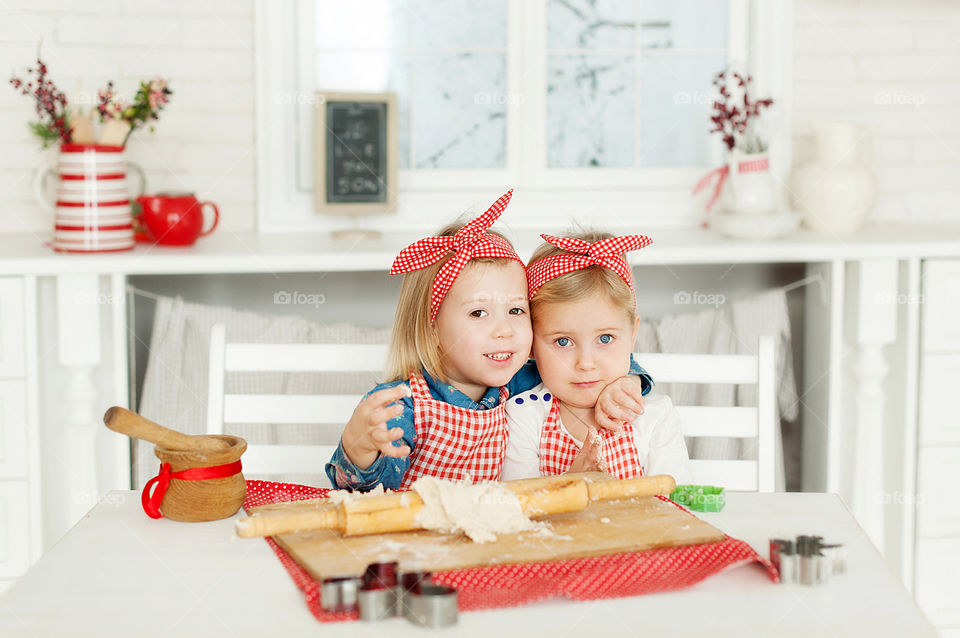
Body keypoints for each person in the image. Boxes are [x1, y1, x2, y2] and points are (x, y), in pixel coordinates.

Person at [325, 192, 652, 490]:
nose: (504, 330)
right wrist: (358, 448)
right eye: (479, 313)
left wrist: (627, 382)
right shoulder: (403, 406)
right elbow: (366, 497)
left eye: (515, 309)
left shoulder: (520, 380)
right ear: (432, 329)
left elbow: (586, 362)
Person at [502, 231, 691, 484]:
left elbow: (674, 504)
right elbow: (521, 507)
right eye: (563, 341)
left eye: (605, 339)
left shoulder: (655, 416)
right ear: (531, 344)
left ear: (633, 333)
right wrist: (570, 483)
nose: (586, 363)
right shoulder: (523, 417)